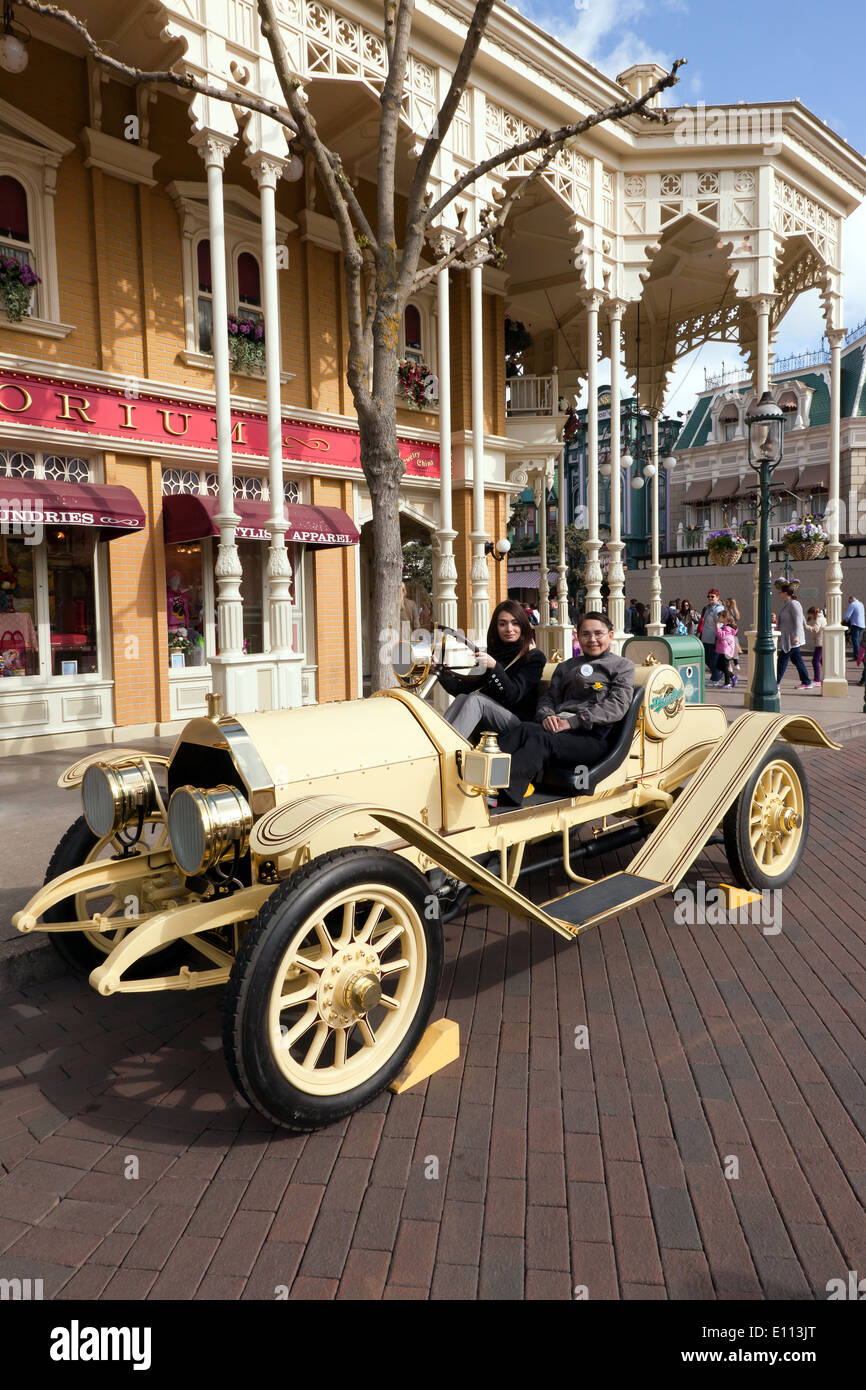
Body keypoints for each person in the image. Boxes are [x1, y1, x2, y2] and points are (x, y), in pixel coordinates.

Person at [497, 612, 635, 805]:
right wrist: (546, 715)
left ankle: (505, 797)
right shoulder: (566, 667)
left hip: (592, 737)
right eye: (586, 634)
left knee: (542, 739)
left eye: (598, 633)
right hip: (560, 728)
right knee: (524, 729)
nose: (592, 639)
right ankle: (485, 781)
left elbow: (616, 706)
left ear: (610, 636)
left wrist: (572, 722)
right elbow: (549, 698)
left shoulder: (622, 666)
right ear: (578, 637)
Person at [439, 599, 546, 741]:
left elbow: (513, 696)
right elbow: (463, 689)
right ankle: (439, 746)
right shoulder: (493, 653)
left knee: (476, 699)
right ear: (496, 627)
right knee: (463, 697)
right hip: (489, 719)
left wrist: (495, 667)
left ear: (523, 626)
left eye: (515, 623)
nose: (509, 629)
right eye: (503, 624)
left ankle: (449, 749)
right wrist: (439, 672)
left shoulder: (534, 657)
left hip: (518, 725)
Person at [776, 583, 813, 690]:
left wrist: (796, 635)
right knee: (797, 660)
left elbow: (798, 620)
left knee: (782, 660)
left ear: (785, 593)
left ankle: (776, 682)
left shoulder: (794, 604)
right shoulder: (789, 604)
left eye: (780, 592)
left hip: (791, 639)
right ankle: (806, 681)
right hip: (789, 638)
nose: (779, 594)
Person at [698, 588, 724, 682]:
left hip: (714, 638)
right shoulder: (708, 608)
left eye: (712, 596)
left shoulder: (719, 609)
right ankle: (717, 674)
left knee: (713, 660)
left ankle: (715, 678)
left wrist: (718, 636)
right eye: (708, 596)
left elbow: (720, 624)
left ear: (718, 597)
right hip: (706, 638)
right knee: (707, 659)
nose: (710, 598)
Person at [712, 607, 738, 688]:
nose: (718, 619)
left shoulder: (727, 628)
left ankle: (727, 683)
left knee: (724, 666)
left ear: (723, 618)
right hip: (723, 649)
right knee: (719, 666)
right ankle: (733, 676)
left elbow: (722, 636)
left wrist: (717, 628)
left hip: (726, 650)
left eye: (719, 617)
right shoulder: (725, 626)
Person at [805, 606, 826, 686]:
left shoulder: (818, 619)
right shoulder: (822, 618)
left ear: (812, 613)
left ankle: (817, 680)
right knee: (822, 661)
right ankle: (827, 676)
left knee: (815, 661)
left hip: (820, 643)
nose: (809, 617)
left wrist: (806, 626)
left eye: (809, 615)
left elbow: (815, 629)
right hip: (822, 642)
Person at [725, 596, 743, 684]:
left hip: (731, 631)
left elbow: (736, 617)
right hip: (731, 631)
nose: (726, 603)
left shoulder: (731, 611)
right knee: (731, 648)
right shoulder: (730, 611)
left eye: (727, 602)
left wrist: (733, 606)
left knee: (731, 648)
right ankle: (733, 664)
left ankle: (733, 664)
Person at [844, 594, 864, 664]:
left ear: (851, 599)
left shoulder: (852, 604)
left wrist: (843, 620)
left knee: (855, 640)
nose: (849, 603)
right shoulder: (861, 604)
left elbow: (847, 615)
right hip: (862, 625)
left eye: (849, 602)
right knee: (857, 640)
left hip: (855, 624)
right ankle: (860, 656)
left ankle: (857, 657)